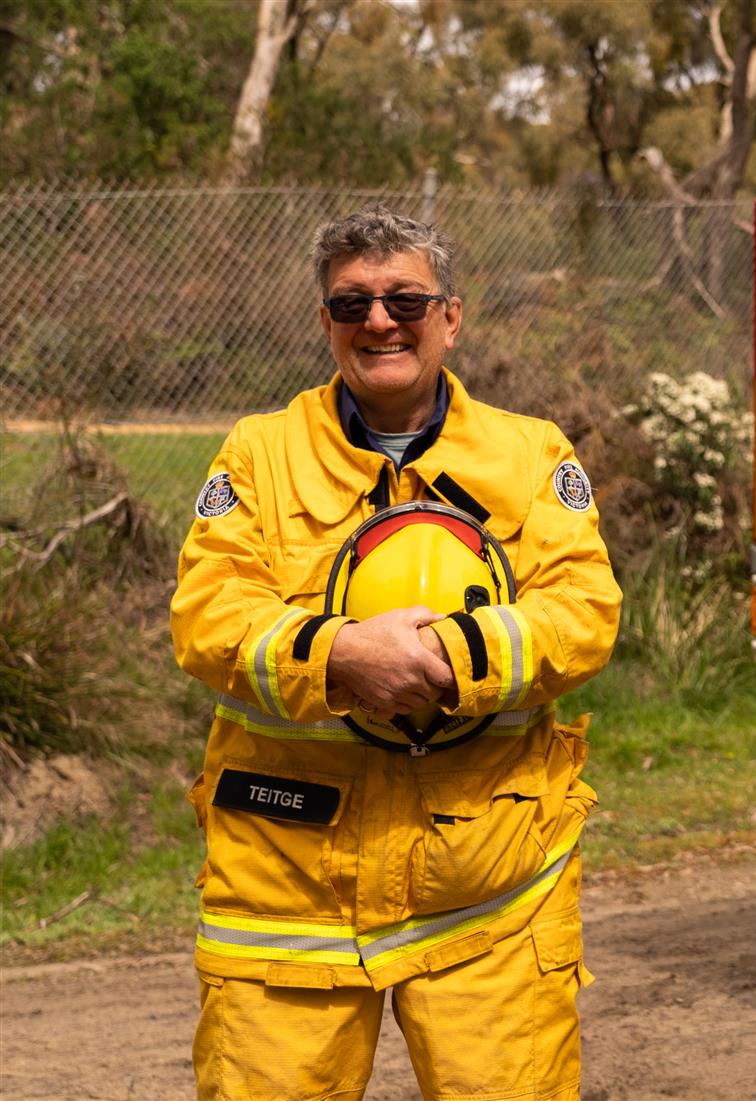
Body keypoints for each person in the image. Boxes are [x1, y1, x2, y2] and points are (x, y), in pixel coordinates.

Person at [170, 205, 621, 1101]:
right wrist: (337, 655)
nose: (380, 321)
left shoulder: (531, 455)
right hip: (287, 894)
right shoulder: (259, 455)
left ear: (451, 316)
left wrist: (454, 657)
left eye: (406, 299)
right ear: (326, 323)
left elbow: (583, 611)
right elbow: (208, 613)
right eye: (352, 304)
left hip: (488, 898)